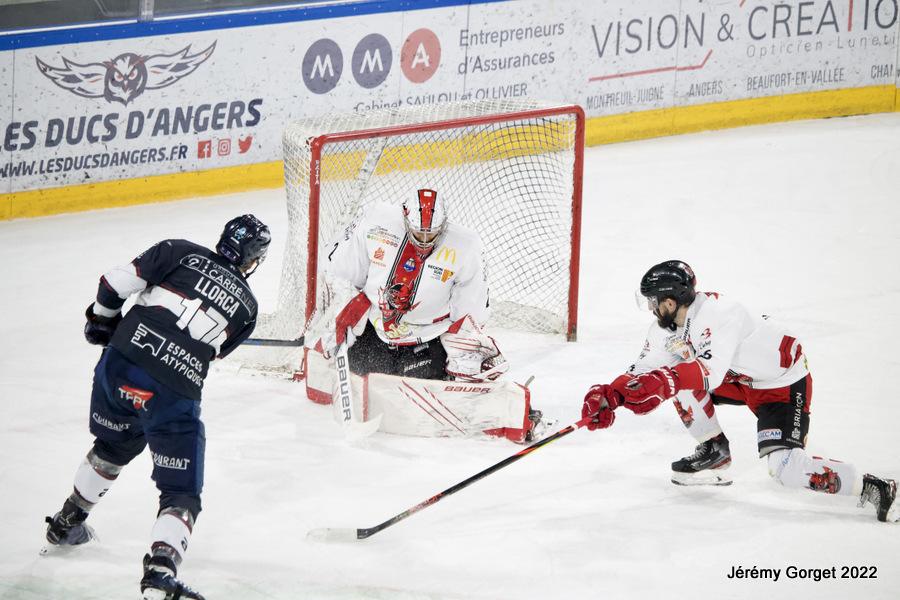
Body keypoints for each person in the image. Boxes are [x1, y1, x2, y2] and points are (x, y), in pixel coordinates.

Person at [43, 215, 271, 599]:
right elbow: (209, 352)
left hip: (120, 364)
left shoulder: (178, 250)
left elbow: (112, 284)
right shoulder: (248, 308)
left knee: (114, 445)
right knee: (181, 493)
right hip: (173, 389)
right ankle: (160, 572)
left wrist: (103, 323)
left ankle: (67, 522)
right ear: (253, 260)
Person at [582, 260, 898, 523]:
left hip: (781, 385)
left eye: (653, 301)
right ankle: (714, 451)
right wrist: (611, 395)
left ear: (669, 301)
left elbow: (708, 372)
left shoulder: (720, 314)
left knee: (785, 470)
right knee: (674, 379)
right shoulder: (667, 328)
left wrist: (663, 381)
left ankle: (876, 488)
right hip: (738, 379)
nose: (651, 308)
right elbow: (643, 371)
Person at [307, 188, 542, 441]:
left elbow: (470, 312)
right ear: (405, 218)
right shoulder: (375, 221)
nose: (425, 240)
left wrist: (465, 351)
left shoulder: (466, 246)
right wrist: (347, 309)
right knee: (358, 366)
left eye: (432, 233)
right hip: (376, 334)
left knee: (423, 376)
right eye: (419, 232)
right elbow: (339, 271)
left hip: (426, 343)